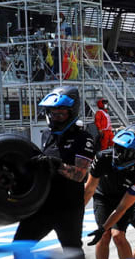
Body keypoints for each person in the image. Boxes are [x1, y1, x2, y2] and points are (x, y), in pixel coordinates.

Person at [14, 85, 97, 249]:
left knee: (72, 251)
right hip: (43, 203)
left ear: (71, 112)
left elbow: (80, 175)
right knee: (19, 246)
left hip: (68, 207)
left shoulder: (84, 138)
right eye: (53, 112)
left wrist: (54, 165)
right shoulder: (47, 134)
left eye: (61, 113)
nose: (56, 117)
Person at [83, 128, 135, 259]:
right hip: (102, 196)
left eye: (125, 151)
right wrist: (77, 212)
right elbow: (89, 188)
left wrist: (104, 227)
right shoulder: (101, 157)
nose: (119, 154)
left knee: (118, 236)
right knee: (104, 236)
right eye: (118, 148)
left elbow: (122, 208)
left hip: (122, 201)